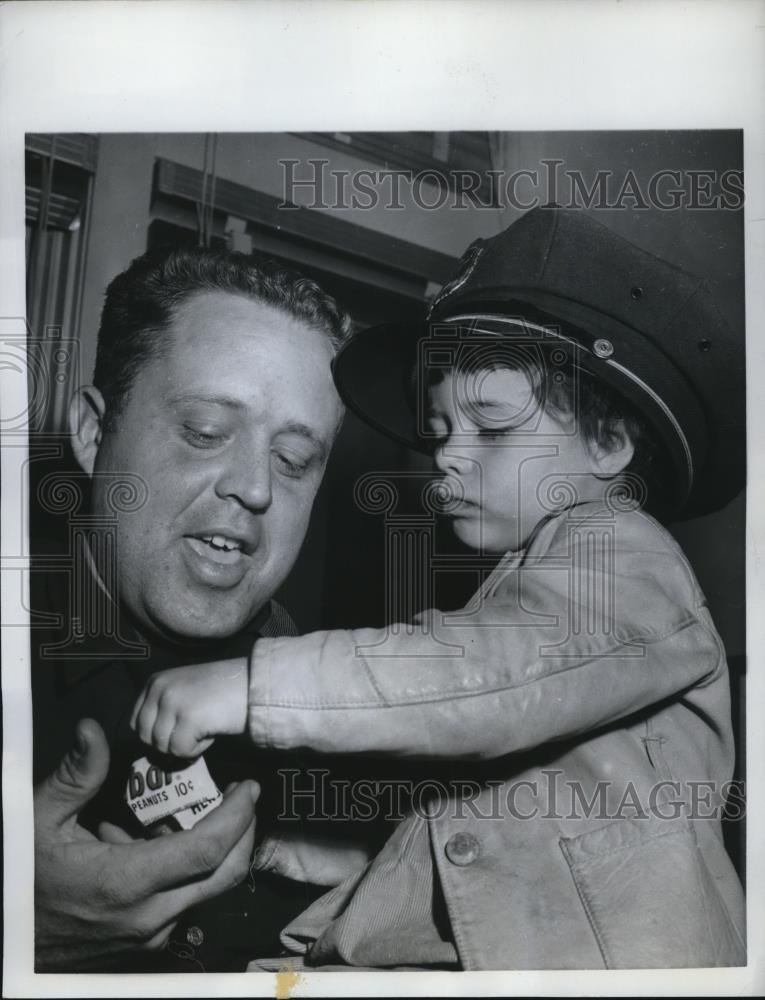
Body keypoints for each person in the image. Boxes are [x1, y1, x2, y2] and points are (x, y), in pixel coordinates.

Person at [131, 206, 747, 970]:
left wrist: (258, 685)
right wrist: (342, 860)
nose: (448, 456)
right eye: (440, 428)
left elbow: (479, 678)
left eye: (490, 427)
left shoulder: (625, 556)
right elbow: (489, 844)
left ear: (608, 443)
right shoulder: (522, 591)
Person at [31, 245, 353, 971]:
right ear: (92, 433)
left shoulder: (309, 679)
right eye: (206, 432)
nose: (255, 487)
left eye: (294, 460)